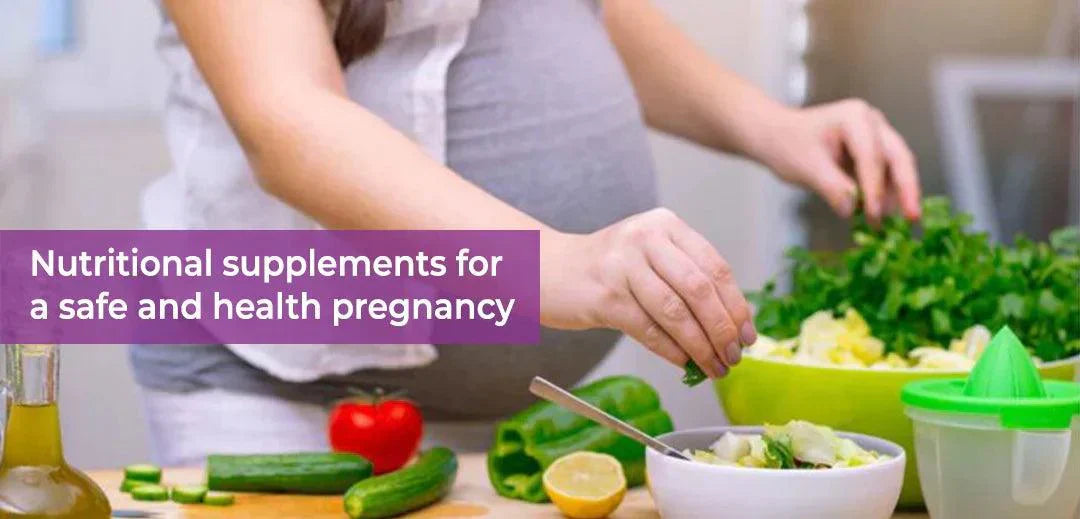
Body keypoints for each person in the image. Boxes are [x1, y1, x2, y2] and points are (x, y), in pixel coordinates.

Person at [132, 0, 921, 464]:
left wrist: (770, 125)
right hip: (287, 394)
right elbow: (286, 122)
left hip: (519, 419)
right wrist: (567, 265)